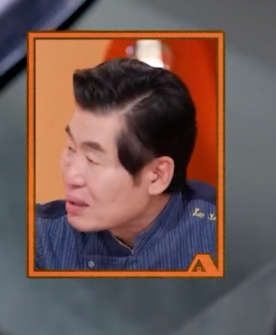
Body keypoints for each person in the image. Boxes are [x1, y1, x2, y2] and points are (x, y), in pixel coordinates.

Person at [35, 57, 217, 272]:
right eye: (70, 148)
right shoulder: (42, 238)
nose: (71, 176)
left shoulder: (219, 234)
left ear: (157, 175)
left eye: (92, 159)